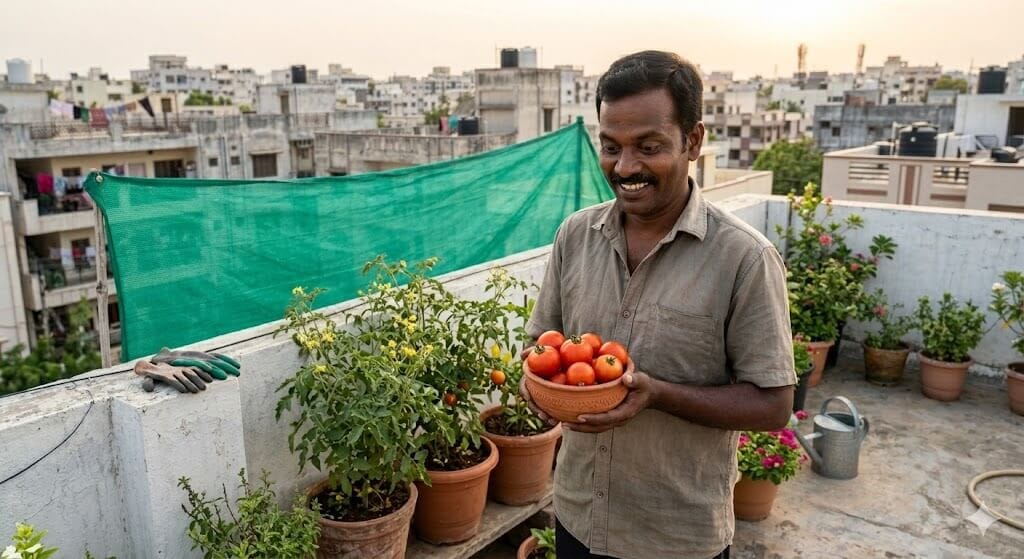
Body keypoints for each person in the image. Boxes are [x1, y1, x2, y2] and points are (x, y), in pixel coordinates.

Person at [520, 51, 796, 559]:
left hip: (676, 537)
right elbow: (542, 344)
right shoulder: (575, 237)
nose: (625, 167)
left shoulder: (744, 259)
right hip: (579, 515)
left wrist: (657, 393)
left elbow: (773, 403)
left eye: (649, 147)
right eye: (610, 147)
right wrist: (537, 383)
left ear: (693, 141)